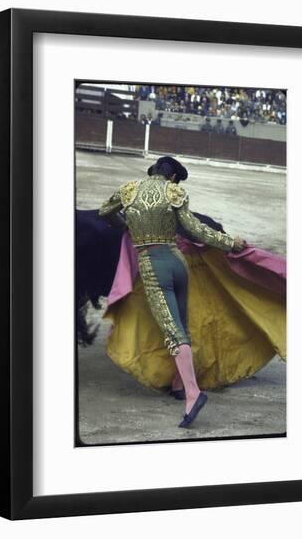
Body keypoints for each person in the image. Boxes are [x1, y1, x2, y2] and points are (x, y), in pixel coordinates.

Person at [98, 156, 247, 428]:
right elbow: (195, 230)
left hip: (152, 265)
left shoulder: (129, 190)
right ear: (173, 177)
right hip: (178, 263)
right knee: (182, 324)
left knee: (172, 329)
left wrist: (127, 225)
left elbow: (104, 212)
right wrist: (230, 243)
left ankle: (193, 393)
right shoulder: (174, 192)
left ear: (152, 171)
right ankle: (180, 385)